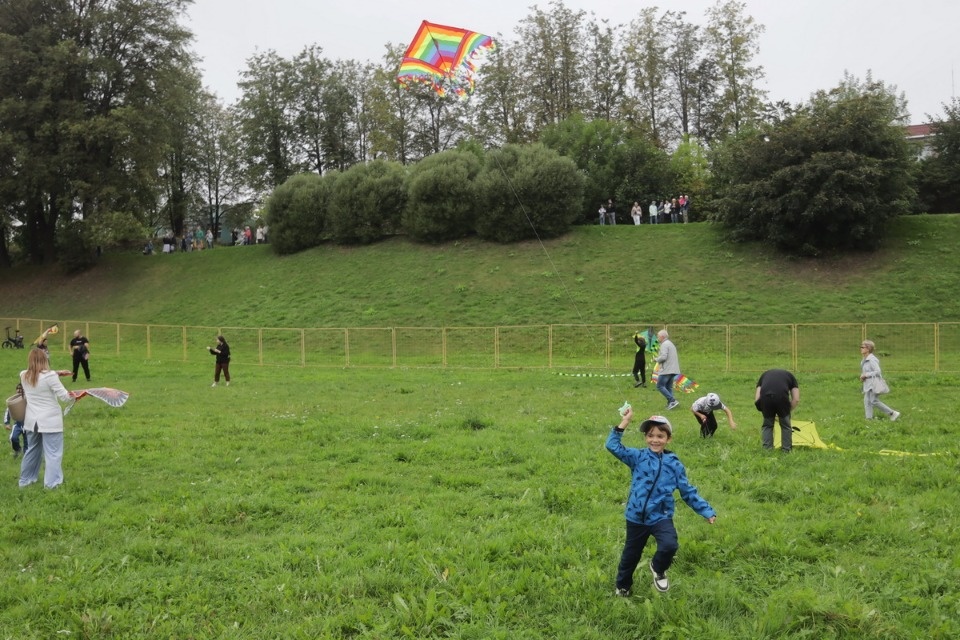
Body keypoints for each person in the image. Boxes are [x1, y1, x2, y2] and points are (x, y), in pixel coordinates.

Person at [606, 410, 716, 596]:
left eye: (660, 436)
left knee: (669, 545)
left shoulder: (674, 465)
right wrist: (624, 422)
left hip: (660, 516)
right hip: (636, 517)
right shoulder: (637, 457)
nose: (655, 440)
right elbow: (612, 445)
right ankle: (623, 587)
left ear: (668, 439)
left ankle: (658, 568)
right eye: (650, 436)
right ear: (645, 438)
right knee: (630, 556)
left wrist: (706, 510)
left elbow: (687, 491)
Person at [19, 348, 74, 488]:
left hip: (32, 421)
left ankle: (25, 481)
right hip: (50, 421)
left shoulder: (24, 375)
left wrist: (57, 373)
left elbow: (40, 376)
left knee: (32, 450)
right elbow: (66, 397)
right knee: (53, 453)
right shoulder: (50, 376)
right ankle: (52, 484)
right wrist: (81, 394)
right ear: (44, 360)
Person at [755, 368, 800, 452]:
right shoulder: (791, 377)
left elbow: (757, 398)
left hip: (766, 399)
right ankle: (786, 450)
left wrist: (765, 410)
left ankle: (767, 450)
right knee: (786, 426)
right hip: (782, 398)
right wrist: (786, 412)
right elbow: (796, 399)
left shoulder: (764, 375)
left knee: (767, 426)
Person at [859, 340, 900, 421]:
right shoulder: (864, 359)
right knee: (867, 401)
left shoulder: (872, 359)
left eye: (862, 347)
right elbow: (866, 371)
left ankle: (892, 413)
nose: (861, 348)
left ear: (868, 348)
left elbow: (878, 371)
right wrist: (863, 376)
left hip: (873, 383)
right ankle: (869, 419)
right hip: (868, 384)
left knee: (873, 400)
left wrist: (866, 375)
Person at [654, 329, 681, 410]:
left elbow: (663, 357)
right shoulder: (670, 344)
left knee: (660, 386)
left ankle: (672, 400)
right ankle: (671, 403)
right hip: (674, 369)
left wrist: (656, 359)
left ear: (662, 337)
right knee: (668, 387)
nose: (657, 338)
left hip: (667, 369)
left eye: (658, 337)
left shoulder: (664, 344)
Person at [4, 383, 27, 458]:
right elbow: (8, 411)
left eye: (21, 389)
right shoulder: (14, 401)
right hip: (18, 424)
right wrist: (7, 423)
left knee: (27, 442)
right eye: (18, 389)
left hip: (28, 425)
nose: (19, 391)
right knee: (13, 438)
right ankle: (17, 450)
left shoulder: (27, 399)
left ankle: (26, 455)